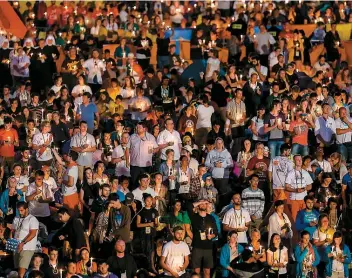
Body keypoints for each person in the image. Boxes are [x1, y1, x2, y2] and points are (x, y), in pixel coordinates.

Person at [190, 200, 218, 278]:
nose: (203, 204)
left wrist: (212, 236)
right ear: (198, 205)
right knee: (196, 272)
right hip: (197, 246)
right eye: (201, 204)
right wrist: (200, 202)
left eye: (205, 204)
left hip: (208, 247)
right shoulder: (194, 217)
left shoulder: (211, 218)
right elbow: (189, 207)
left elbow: (216, 231)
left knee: (207, 272)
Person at [11, 202, 39, 278]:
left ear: (27, 209)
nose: (20, 212)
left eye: (22, 210)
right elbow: (13, 231)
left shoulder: (32, 219)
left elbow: (33, 234)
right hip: (16, 246)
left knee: (21, 271)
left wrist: (23, 243)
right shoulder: (16, 218)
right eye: (18, 210)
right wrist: (11, 241)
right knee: (17, 269)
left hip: (27, 247)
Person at [285, 155, 313, 220]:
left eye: (300, 159)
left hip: (304, 199)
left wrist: (303, 189)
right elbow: (286, 187)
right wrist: (295, 190)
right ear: (294, 161)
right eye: (298, 160)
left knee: (304, 218)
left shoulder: (305, 173)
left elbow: (310, 186)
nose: (300, 161)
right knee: (294, 218)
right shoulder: (290, 173)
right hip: (294, 200)